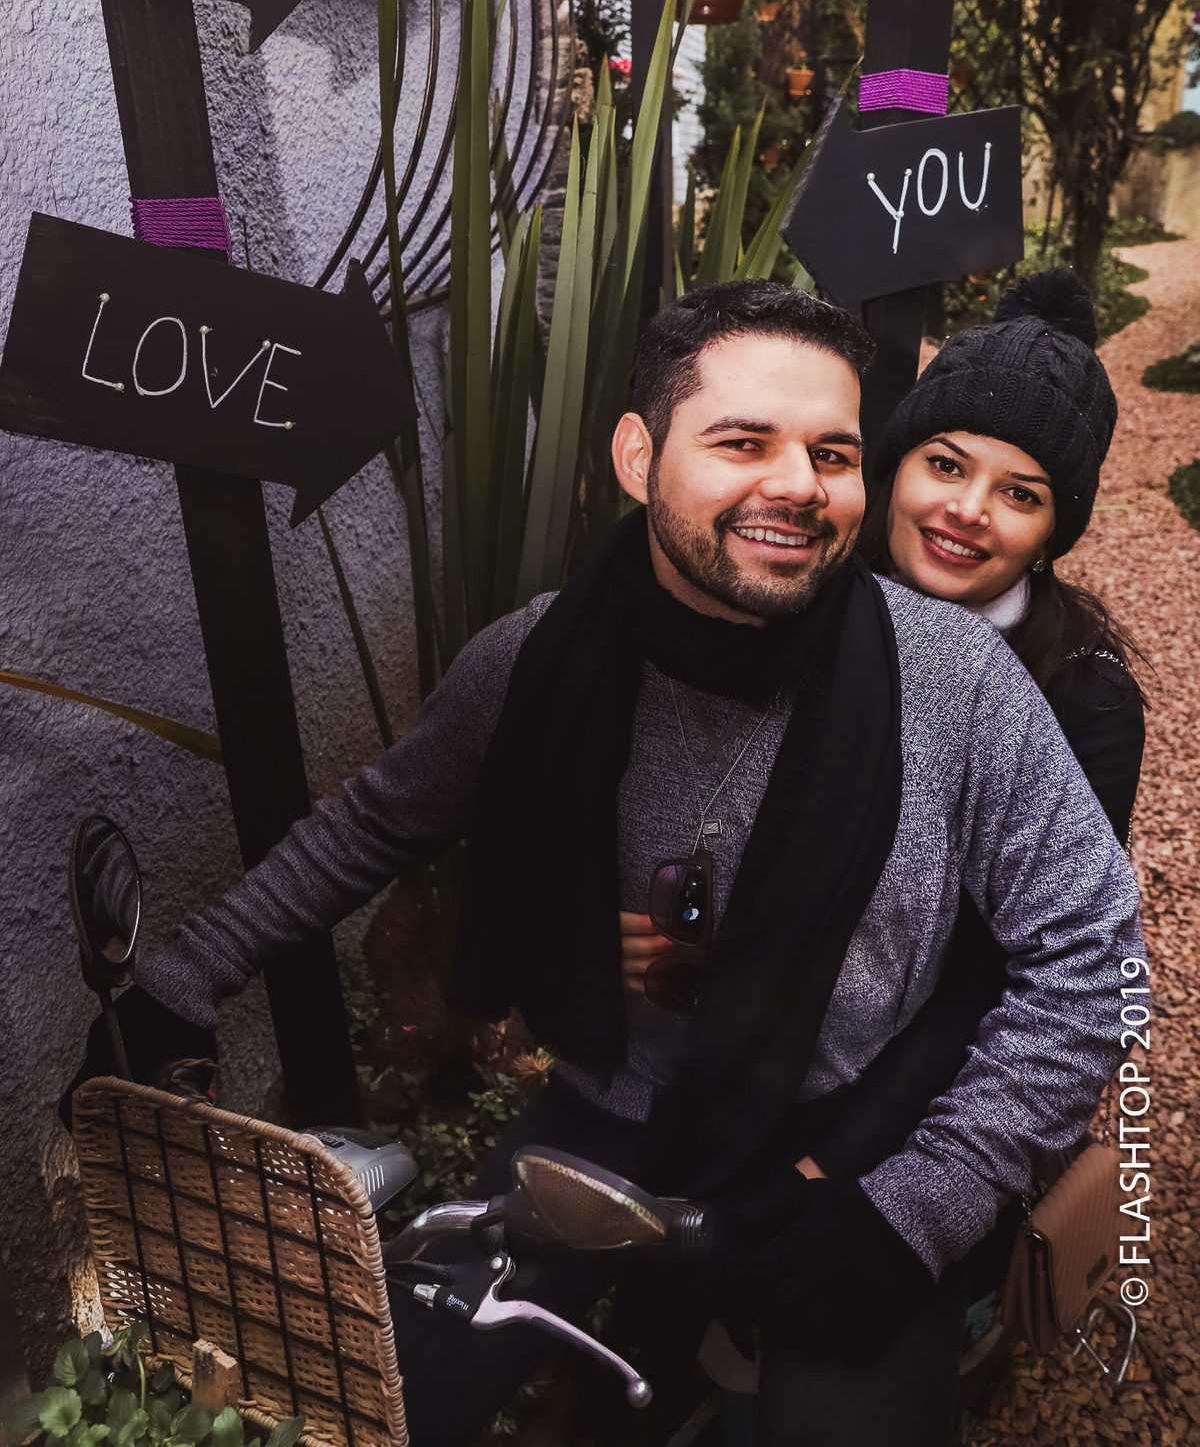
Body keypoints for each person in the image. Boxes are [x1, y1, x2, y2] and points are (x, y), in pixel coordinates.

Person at [69, 281, 1143, 1447]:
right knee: (397, 1400)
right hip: (611, 1109)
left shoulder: (951, 681)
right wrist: (184, 980)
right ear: (639, 456)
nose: (797, 483)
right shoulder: (535, 660)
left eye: (831, 453)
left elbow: (1090, 955)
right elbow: (374, 824)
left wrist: (919, 1205)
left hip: (855, 1133)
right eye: (744, 441)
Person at [790, 268, 1145, 1200]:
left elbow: (1018, 971)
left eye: (1020, 494)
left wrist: (837, 1165)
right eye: (945, 466)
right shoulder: (801, 603)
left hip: (934, 1097)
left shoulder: (1085, 699)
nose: (968, 511)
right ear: (895, 465)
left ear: (1055, 530)